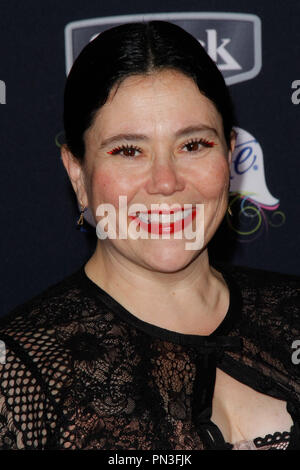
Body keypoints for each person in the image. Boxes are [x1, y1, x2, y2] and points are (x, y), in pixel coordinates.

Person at [0, 21, 299, 451]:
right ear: (78, 173)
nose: (165, 181)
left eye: (193, 145)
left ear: (231, 155)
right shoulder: (20, 373)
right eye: (128, 150)